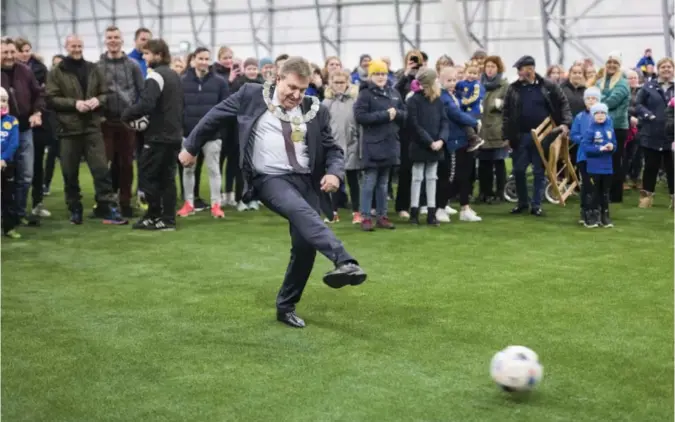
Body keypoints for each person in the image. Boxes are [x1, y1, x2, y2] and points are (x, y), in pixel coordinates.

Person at [179, 56, 366, 327]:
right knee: (299, 211)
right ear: (278, 79)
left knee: (305, 246)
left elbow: (334, 150)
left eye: (302, 90)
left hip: (305, 180)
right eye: (291, 87)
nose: (296, 95)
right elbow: (215, 116)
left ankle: (285, 307)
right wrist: (191, 147)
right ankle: (344, 260)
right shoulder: (251, 95)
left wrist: (333, 172)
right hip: (269, 178)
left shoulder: (315, 109)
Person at [46, 34, 126, 225]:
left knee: (101, 170)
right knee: (69, 173)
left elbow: (106, 93)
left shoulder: (93, 68)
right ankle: (75, 209)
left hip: (92, 127)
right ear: (66, 46)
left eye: (80, 46)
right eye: (73, 46)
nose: (77, 49)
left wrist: (98, 100)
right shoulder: (57, 72)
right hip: (68, 130)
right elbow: (50, 98)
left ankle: (108, 208)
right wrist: (75, 104)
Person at [122, 38, 183, 231]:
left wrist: (127, 114)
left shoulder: (155, 76)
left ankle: (154, 215)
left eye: (147, 54)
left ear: (159, 55)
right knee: (167, 178)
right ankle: (167, 219)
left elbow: (146, 104)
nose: (144, 57)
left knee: (149, 177)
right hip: (174, 135)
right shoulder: (174, 75)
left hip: (157, 136)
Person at [502, 55, 572, 216]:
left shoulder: (548, 86)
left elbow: (563, 104)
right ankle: (522, 203)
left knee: (539, 171)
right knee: (519, 170)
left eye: (522, 69)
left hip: (545, 136)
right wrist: (506, 136)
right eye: (518, 70)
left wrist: (565, 123)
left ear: (531, 69)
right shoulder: (513, 88)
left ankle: (536, 205)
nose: (519, 73)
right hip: (521, 136)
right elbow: (506, 113)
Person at [354, 59, 406, 231]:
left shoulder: (394, 93)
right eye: (377, 74)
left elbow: (404, 114)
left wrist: (396, 114)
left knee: (384, 184)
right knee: (369, 182)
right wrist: (384, 115)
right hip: (373, 145)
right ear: (371, 76)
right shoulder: (365, 94)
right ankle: (366, 217)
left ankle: (382, 216)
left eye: (383, 73)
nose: (380, 77)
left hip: (390, 143)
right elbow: (360, 117)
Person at [98, 25, 145, 218]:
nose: (113, 40)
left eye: (116, 37)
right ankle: (104, 203)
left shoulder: (132, 65)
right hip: (105, 121)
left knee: (126, 164)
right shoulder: (98, 66)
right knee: (105, 164)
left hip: (126, 122)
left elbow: (142, 92)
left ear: (122, 40)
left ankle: (125, 203)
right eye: (109, 37)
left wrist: (137, 114)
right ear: (105, 40)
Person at [177, 46, 229, 218]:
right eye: (201, 58)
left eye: (207, 59)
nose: (204, 62)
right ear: (193, 60)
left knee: (214, 170)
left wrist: (218, 129)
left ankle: (216, 205)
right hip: (189, 135)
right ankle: (189, 203)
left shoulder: (220, 82)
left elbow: (225, 108)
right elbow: (179, 108)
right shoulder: (182, 81)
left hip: (212, 136)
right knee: (188, 170)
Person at [0, 37, 44, 225]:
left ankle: (18, 214)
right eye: (5, 53)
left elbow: (39, 94)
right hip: (2, 132)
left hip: (24, 129)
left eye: (12, 52)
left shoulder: (25, 71)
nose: (10, 56)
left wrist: (37, 112)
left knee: (26, 175)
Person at [405, 68, 449, 225]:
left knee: (432, 178)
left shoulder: (438, 101)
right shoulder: (413, 101)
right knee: (417, 178)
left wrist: (441, 140)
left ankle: (431, 212)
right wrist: (430, 142)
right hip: (420, 145)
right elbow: (414, 125)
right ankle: (414, 212)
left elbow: (444, 121)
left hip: (436, 145)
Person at [321, 69, 361, 224]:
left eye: (342, 82)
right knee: (335, 181)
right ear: (331, 83)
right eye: (336, 82)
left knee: (354, 181)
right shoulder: (326, 103)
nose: (339, 85)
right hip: (334, 147)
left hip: (352, 146)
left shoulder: (354, 101)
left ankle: (357, 212)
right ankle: (333, 211)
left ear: (347, 83)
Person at [635, 57, 674, 208]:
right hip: (651, 132)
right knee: (651, 166)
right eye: (663, 67)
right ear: (658, 69)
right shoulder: (647, 87)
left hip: (672, 135)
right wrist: (648, 115)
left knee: (672, 168)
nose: (666, 69)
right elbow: (638, 104)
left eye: (669, 67)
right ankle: (646, 198)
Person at [570, 87, 603, 225]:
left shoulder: (604, 118)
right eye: (588, 98)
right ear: (584, 101)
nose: (591, 101)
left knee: (599, 184)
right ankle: (585, 210)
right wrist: (584, 139)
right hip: (584, 155)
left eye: (594, 98)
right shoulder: (579, 117)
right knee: (587, 184)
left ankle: (598, 210)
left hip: (600, 157)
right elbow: (573, 135)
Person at [580, 103, 616, 228]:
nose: (600, 116)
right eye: (597, 113)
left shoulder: (610, 129)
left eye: (602, 113)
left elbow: (615, 145)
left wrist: (612, 147)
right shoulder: (590, 130)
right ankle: (591, 216)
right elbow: (586, 147)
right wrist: (600, 148)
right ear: (593, 116)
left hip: (607, 166)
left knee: (605, 192)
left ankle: (604, 216)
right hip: (594, 166)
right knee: (593, 192)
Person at [1, 87, 21, 238]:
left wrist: (3, 159)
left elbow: (14, 143)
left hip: (7, 165)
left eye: (4, 100)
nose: (2, 104)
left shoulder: (12, 121)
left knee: (8, 197)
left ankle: (9, 228)